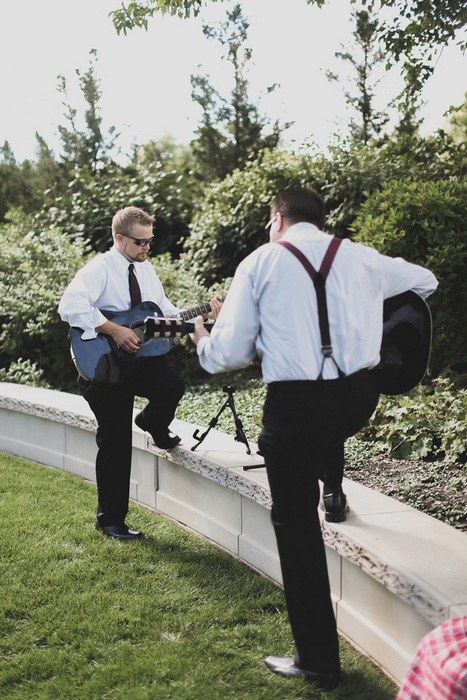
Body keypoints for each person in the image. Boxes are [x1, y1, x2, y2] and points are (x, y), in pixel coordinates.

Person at [190, 186, 438, 689]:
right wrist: (367, 317)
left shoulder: (259, 263)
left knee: (296, 522)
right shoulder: (361, 257)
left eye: (267, 222)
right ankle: (335, 487)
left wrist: (203, 339)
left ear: (277, 217)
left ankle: (319, 661)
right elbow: (425, 282)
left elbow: (226, 356)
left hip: (297, 406)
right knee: (323, 436)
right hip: (356, 398)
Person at [59, 206, 219, 541]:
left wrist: (202, 317)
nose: (147, 248)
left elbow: (167, 313)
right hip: (103, 366)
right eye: (140, 242)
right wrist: (114, 330)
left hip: (141, 360)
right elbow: (69, 306)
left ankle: (152, 423)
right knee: (115, 441)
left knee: (172, 386)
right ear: (120, 238)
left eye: (150, 242)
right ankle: (110, 521)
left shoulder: (146, 271)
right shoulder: (99, 268)